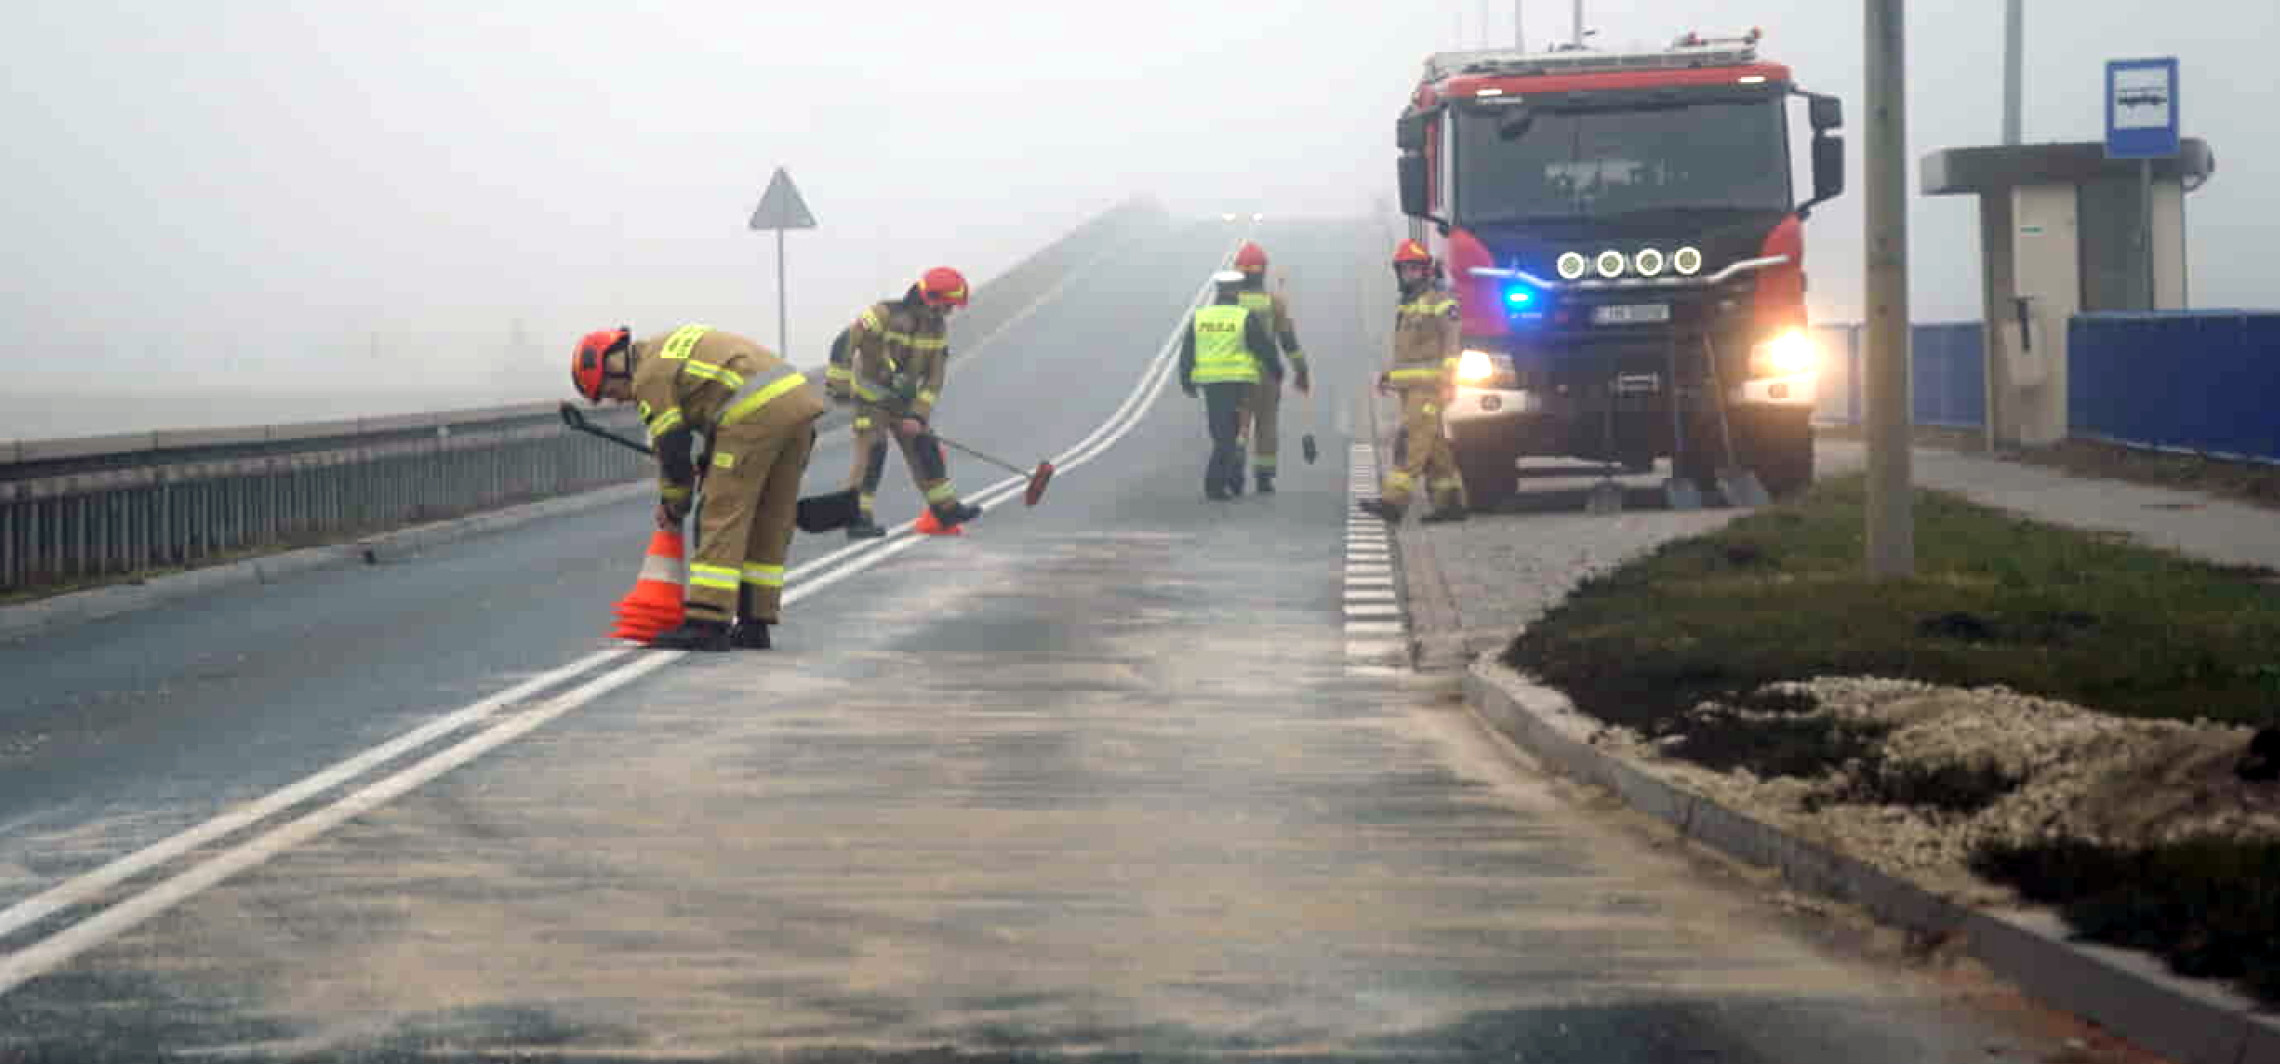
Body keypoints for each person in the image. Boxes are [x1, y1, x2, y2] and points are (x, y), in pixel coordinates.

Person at [571, 323, 829, 650]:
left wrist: (674, 504)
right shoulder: (667, 351)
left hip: (755, 412)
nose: (618, 400)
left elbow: (673, 447)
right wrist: (709, 460)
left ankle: (708, 621)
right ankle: (755, 622)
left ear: (613, 365)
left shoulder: (649, 375)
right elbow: (716, 400)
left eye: (609, 392)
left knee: (720, 511)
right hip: (796, 402)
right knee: (769, 517)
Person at [842, 267, 984, 537]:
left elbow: (934, 379)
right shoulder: (884, 314)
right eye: (947, 305)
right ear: (930, 298)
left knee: (925, 447)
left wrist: (917, 416)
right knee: (874, 449)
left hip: (903, 402)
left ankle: (946, 509)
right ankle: (857, 519)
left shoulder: (936, 329)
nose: (949, 312)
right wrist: (840, 382)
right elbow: (849, 342)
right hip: (870, 398)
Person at [1360, 240, 1468, 524]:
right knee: (1434, 447)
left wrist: (1448, 381)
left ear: (1426, 271)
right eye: (1405, 269)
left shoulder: (1439, 301)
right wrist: (1389, 375)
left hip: (1430, 389)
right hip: (1410, 389)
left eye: (1415, 269)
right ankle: (1450, 503)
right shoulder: (1406, 305)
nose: (1410, 274)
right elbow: (1407, 353)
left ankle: (1393, 502)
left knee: (1410, 442)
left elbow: (1452, 344)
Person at [1180, 270, 1282, 501]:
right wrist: (1276, 370)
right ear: (1236, 291)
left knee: (1221, 432)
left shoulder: (1201, 316)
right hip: (1237, 382)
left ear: (1218, 291)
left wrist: (1185, 379)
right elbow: (1262, 346)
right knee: (1229, 434)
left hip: (1211, 384)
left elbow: (1187, 351)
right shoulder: (1242, 316)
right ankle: (1215, 484)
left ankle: (1225, 479)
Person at [1230, 241, 1309, 495]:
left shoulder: (1229, 302)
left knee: (1238, 421)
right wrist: (1301, 370)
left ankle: (1238, 449)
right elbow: (1288, 342)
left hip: (1236, 373)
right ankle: (1264, 476)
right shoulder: (1274, 302)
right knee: (1267, 424)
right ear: (1263, 271)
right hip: (1266, 374)